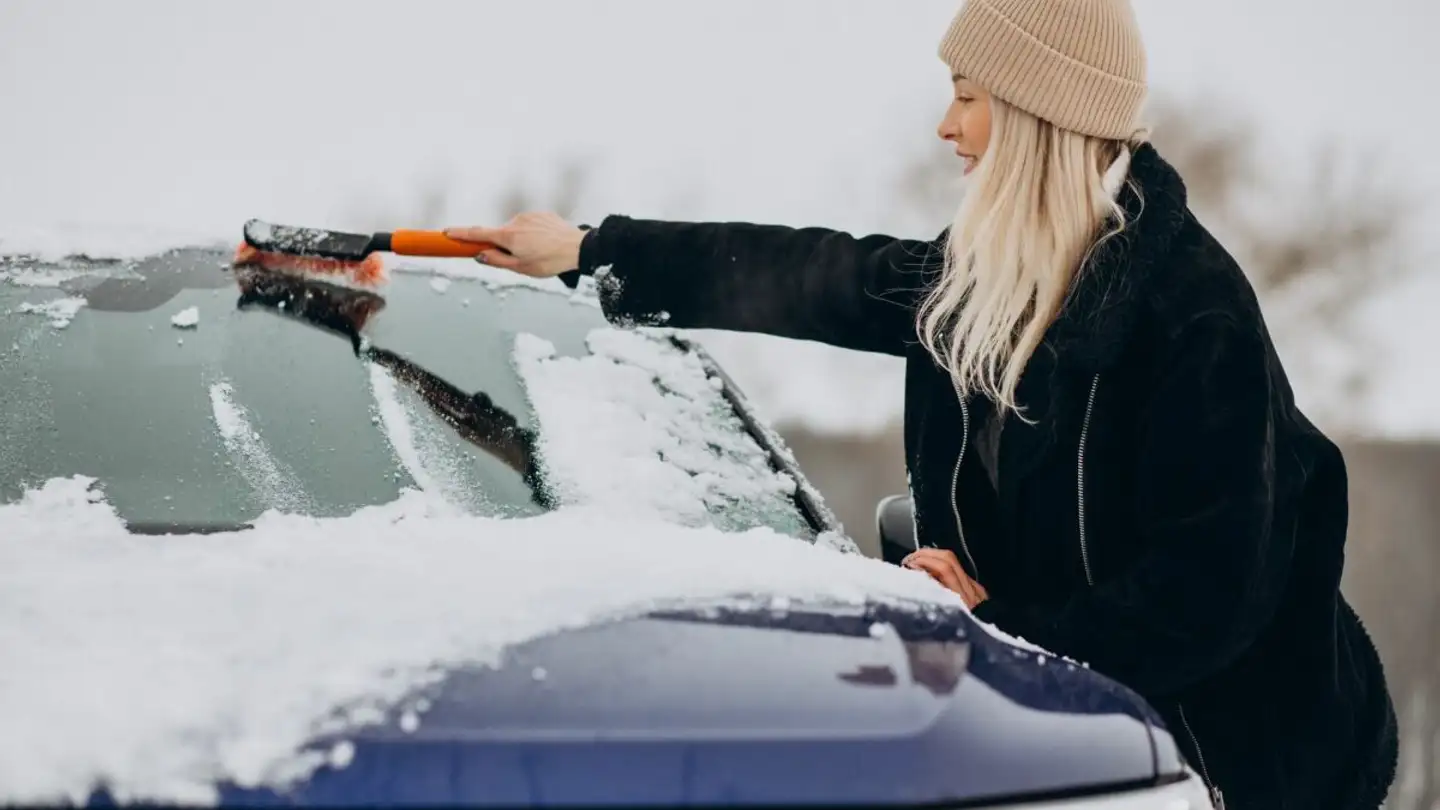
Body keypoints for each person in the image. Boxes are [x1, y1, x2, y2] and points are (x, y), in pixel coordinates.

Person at [444, 0, 1399, 807]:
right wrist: (591, 248)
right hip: (1074, 736)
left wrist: (1003, 629)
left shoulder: (1194, 314)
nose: (946, 127)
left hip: (1244, 764)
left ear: (1033, 115)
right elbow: (814, 275)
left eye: (968, 98)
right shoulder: (993, 278)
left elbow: (1205, 597)